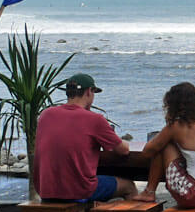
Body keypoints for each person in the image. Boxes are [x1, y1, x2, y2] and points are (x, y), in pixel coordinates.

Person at [34, 73, 136, 202]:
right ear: (89, 92)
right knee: (129, 186)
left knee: (91, 182)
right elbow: (123, 150)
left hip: (46, 190)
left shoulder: (46, 114)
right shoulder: (94, 119)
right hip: (78, 190)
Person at [137, 82, 195, 208]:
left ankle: (149, 191)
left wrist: (170, 140)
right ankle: (149, 192)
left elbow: (147, 152)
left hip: (193, 195)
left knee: (164, 146)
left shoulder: (176, 126)